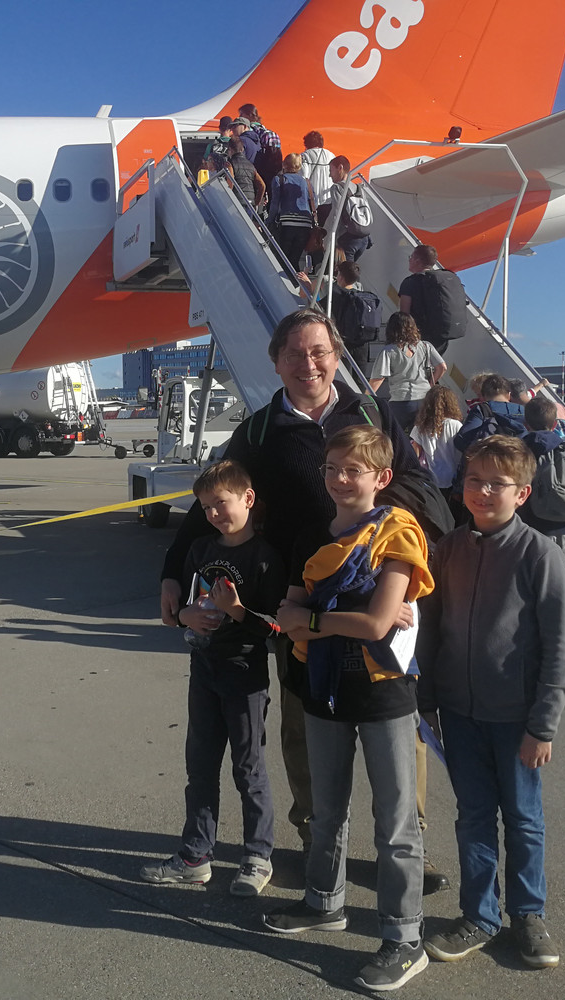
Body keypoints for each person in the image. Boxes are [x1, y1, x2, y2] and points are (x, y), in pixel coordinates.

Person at [159, 310, 449, 897]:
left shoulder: (370, 413)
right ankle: (320, 842)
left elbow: (420, 486)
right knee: (304, 728)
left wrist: (385, 550)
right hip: (300, 602)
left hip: (377, 602)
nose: (307, 363)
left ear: (337, 357)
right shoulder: (261, 430)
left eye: (318, 351)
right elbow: (215, 494)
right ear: (276, 362)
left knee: (397, 733)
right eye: (293, 353)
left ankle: (407, 849)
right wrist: (172, 571)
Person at [265, 425, 434, 992]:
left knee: (395, 821)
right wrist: (323, 619)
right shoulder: (313, 535)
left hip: (383, 693)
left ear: (381, 477)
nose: (340, 479)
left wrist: (313, 619)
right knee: (326, 809)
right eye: (332, 468)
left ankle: (405, 939)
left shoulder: (396, 532)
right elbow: (286, 612)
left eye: (353, 471)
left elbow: (376, 624)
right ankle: (323, 902)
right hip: (323, 686)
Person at [418, 435, 565, 970]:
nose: (482, 492)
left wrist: (543, 726)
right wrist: (428, 700)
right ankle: (479, 916)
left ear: (522, 493)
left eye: (497, 484)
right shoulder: (449, 549)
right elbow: (430, 628)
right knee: (474, 817)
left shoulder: (539, 554)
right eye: (473, 480)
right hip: (459, 713)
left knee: (524, 819)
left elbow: (560, 646)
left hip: (517, 718)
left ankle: (528, 915)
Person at [139, 460, 285, 896]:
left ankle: (257, 856)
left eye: (220, 503)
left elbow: (276, 627)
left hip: (244, 675)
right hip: (203, 669)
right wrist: (185, 616)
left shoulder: (265, 557)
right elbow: (187, 604)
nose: (214, 514)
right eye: (205, 507)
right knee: (200, 765)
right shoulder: (201, 549)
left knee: (248, 767)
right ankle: (195, 856)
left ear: (248, 498)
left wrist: (237, 611)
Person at [519, 396, 565, 576]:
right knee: (558, 581)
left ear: (526, 424)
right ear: (555, 424)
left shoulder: (518, 453)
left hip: (527, 528)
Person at [367, 313, 447, 434]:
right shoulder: (426, 346)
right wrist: (430, 384)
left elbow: (377, 379)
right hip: (424, 399)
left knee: (390, 435)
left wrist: (364, 397)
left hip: (400, 401)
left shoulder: (389, 351)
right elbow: (442, 367)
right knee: (418, 438)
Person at [399, 245, 467, 354]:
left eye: (411, 257)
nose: (409, 260)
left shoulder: (410, 282)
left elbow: (404, 315)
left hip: (419, 337)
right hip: (441, 338)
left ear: (417, 260)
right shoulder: (441, 280)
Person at [410, 385, 464, 493]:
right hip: (453, 477)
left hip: (430, 479)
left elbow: (415, 454)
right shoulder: (456, 425)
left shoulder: (420, 427)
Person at [317, 156, 371, 262]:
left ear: (340, 168)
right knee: (350, 268)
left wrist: (328, 239)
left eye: (331, 170)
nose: (330, 175)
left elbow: (337, 214)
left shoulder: (337, 187)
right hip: (363, 238)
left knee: (343, 269)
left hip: (347, 237)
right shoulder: (359, 189)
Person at [268, 152, 317, 270]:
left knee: (282, 258)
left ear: (284, 164)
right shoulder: (306, 182)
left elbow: (275, 203)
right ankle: (296, 279)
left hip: (287, 223)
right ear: (299, 166)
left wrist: (269, 221)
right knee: (294, 258)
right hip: (305, 224)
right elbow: (314, 202)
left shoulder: (279, 179)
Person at [238, 102, 283, 184]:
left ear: (249, 115)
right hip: (274, 171)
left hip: (258, 171)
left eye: (241, 114)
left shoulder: (249, 131)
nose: (239, 117)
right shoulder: (270, 132)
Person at [301, 130, 336, 206]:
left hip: (312, 202)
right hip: (329, 200)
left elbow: (303, 176)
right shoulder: (331, 155)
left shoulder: (304, 156)